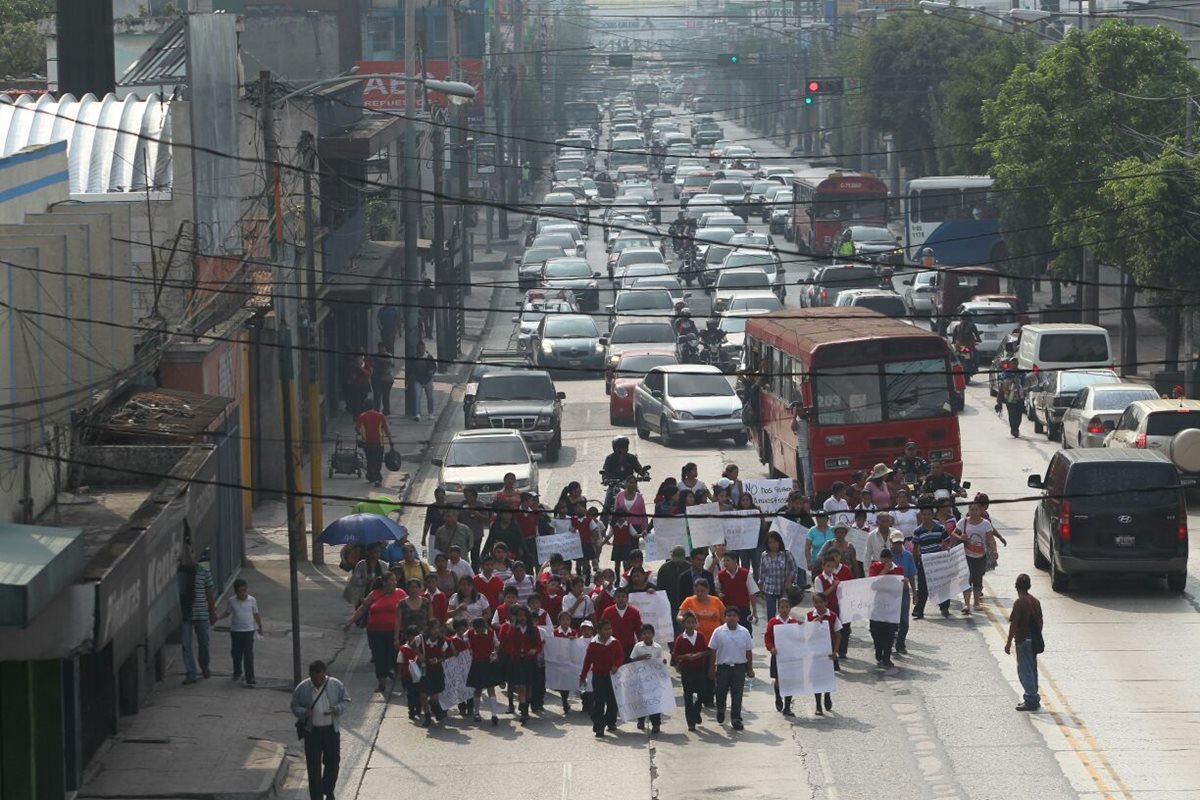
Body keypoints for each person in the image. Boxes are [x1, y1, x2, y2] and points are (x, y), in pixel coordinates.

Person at [290, 660, 351, 800]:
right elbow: (294, 706)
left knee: (333, 763)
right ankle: (316, 797)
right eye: (315, 679)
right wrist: (304, 712)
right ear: (310, 676)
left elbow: (346, 700)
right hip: (312, 733)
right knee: (313, 768)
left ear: (325, 674)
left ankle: (328, 790)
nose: (318, 682)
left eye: (321, 678)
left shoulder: (335, 684)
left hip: (331, 731)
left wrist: (337, 709)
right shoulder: (303, 688)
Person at [708, 607, 754, 731]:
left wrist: (750, 669)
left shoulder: (744, 632)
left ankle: (736, 719)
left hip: (739, 667)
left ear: (738, 618)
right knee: (720, 691)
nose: (731, 618)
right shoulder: (718, 632)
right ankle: (721, 709)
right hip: (723, 667)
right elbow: (713, 650)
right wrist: (712, 668)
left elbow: (749, 651)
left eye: (734, 616)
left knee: (737, 694)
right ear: (725, 617)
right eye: (729, 615)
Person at [580, 618, 625, 737]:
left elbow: (621, 656)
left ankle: (611, 722)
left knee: (612, 701)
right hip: (598, 676)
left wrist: (616, 665)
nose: (608, 631)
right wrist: (583, 675)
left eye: (610, 629)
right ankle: (599, 726)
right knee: (599, 702)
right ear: (598, 631)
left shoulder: (615, 642)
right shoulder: (593, 644)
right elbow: (587, 661)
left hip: (612, 676)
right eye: (605, 629)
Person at [1005, 573, 1044, 712]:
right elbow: (1040, 622)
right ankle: (1034, 697)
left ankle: (1031, 699)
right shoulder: (1035, 601)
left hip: (1023, 640)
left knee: (1024, 670)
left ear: (1017, 587)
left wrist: (1008, 642)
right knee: (1032, 669)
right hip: (1033, 640)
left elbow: (1014, 625)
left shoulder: (1019, 602)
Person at [500, 605, 543, 724]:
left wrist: (535, 650)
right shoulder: (513, 629)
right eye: (519, 615)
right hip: (517, 661)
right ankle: (524, 713)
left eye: (523, 615)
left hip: (530, 662)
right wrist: (513, 627)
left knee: (529, 687)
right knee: (521, 687)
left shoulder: (533, 629)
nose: (521, 618)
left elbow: (539, 645)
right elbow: (508, 641)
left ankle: (525, 707)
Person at [911, 495, 951, 619]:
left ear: (932, 514)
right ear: (920, 516)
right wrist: (915, 563)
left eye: (928, 514)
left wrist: (948, 551)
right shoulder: (918, 531)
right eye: (924, 514)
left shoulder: (940, 527)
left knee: (942, 584)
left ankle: (944, 607)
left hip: (938, 562)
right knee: (923, 587)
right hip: (924, 562)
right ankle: (919, 610)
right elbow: (915, 548)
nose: (926, 517)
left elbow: (947, 541)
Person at [217, 577, 262, 687]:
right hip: (236, 631)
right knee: (236, 653)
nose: (242, 594)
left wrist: (260, 626)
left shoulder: (252, 600)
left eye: (244, 591)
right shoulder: (232, 601)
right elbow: (227, 613)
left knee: (248, 654)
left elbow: (256, 614)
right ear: (236, 592)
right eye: (240, 592)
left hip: (248, 631)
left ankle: (250, 677)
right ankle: (237, 671)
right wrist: (218, 618)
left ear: (247, 589)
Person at [179, 555, 217, 685]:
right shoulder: (180, 573)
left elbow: (209, 593)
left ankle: (204, 665)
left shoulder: (203, 572)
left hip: (201, 614)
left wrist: (212, 612)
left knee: (204, 643)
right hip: (185, 614)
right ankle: (191, 673)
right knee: (186, 645)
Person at [764, 593, 800, 716]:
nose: (784, 610)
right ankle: (778, 697)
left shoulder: (794, 622)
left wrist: (801, 626)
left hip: (790, 657)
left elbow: (799, 637)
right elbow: (768, 637)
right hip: (778, 655)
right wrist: (771, 648)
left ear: (790, 608)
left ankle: (787, 706)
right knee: (779, 680)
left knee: (789, 680)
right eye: (782, 607)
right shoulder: (773, 622)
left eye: (787, 607)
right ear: (778, 608)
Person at [673, 611, 710, 731]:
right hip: (687, 669)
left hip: (700, 668)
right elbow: (675, 655)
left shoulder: (700, 636)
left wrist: (699, 655)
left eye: (692, 622)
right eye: (688, 622)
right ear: (684, 624)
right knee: (688, 694)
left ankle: (696, 711)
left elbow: (707, 650)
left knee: (702, 693)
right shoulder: (680, 639)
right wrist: (685, 656)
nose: (690, 625)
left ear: (696, 624)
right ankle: (690, 721)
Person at [960, 502, 999, 615]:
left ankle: (976, 602)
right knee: (967, 579)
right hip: (966, 556)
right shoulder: (963, 522)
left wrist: (995, 551)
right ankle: (966, 604)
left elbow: (991, 539)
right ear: (969, 511)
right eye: (972, 510)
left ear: (980, 511)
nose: (974, 512)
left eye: (976, 510)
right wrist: (961, 537)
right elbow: (954, 534)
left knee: (978, 579)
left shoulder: (986, 524)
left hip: (981, 556)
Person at [867, 549, 905, 667]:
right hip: (877, 605)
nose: (885, 562)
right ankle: (878, 650)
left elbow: (900, 587)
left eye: (887, 560)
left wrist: (905, 583)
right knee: (875, 631)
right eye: (883, 561)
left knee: (889, 633)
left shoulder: (898, 569)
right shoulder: (875, 567)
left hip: (891, 607)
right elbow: (872, 583)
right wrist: (884, 570)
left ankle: (887, 656)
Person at [805, 592, 841, 711]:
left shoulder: (833, 616)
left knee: (827, 677)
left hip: (828, 653)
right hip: (815, 653)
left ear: (826, 602)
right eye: (816, 602)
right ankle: (818, 704)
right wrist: (812, 624)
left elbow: (838, 635)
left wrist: (835, 651)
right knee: (816, 679)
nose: (818, 604)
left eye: (821, 602)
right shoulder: (809, 616)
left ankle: (827, 695)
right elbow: (805, 633)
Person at [630, 624, 668, 733]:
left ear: (653, 634)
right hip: (641, 679)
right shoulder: (638, 647)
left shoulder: (658, 647)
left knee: (654, 702)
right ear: (641, 635)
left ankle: (656, 724)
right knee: (641, 701)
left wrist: (663, 663)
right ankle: (641, 720)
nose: (647, 635)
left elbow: (661, 662)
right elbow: (631, 661)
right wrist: (639, 658)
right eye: (645, 633)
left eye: (649, 633)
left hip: (653, 679)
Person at [607, 476, 647, 574]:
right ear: (626, 483)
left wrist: (644, 530)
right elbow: (616, 512)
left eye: (634, 483)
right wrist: (611, 528)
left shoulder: (640, 497)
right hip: (622, 528)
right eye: (630, 482)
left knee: (633, 554)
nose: (631, 484)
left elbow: (644, 514)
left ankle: (633, 573)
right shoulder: (619, 496)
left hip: (635, 527)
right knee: (622, 554)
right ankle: (623, 575)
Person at [758, 531, 798, 620]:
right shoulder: (764, 555)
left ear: (779, 542)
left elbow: (794, 568)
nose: (773, 544)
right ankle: (771, 629)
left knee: (784, 612)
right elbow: (762, 572)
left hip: (783, 588)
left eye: (775, 542)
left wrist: (789, 580)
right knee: (770, 611)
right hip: (769, 588)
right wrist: (761, 589)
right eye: (770, 542)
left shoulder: (786, 554)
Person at [889, 533, 917, 655]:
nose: (898, 545)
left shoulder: (908, 556)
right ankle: (888, 644)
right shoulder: (887, 555)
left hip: (904, 591)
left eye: (900, 543)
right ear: (891, 542)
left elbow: (911, 574)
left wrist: (915, 593)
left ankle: (901, 644)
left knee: (904, 621)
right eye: (895, 543)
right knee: (889, 620)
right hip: (889, 592)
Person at [717, 553, 758, 634]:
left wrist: (754, 611)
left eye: (727, 560)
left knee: (746, 632)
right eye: (724, 560)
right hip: (728, 611)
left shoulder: (745, 573)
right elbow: (717, 591)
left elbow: (752, 593)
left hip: (743, 610)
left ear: (735, 560)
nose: (725, 563)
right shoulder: (720, 575)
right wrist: (719, 595)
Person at [355, 405, 392, 488]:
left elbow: (357, 429)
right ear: (373, 407)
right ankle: (377, 478)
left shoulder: (362, 416)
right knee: (378, 461)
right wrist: (390, 442)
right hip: (379, 444)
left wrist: (361, 434)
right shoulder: (380, 416)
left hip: (367, 444)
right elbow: (386, 429)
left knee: (370, 460)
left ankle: (371, 476)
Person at [601, 586, 643, 656]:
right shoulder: (607, 612)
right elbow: (602, 629)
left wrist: (641, 646)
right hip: (612, 645)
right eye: (618, 597)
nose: (621, 599)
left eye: (623, 597)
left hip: (629, 646)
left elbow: (639, 630)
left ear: (627, 599)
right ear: (614, 599)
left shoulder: (634, 612)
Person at [790, 402, 814, 498]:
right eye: (798, 410)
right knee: (807, 475)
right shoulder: (797, 421)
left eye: (801, 410)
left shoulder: (810, 419)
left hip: (813, 451)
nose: (800, 412)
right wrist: (794, 415)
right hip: (804, 452)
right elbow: (793, 428)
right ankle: (809, 495)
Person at [409, 340, 437, 422]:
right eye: (419, 348)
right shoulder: (414, 358)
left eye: (422, 348)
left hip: (428, 380)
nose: (420, 350)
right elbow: (412, 369)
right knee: (417, 396)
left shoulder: (429, 357)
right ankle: (417, 414)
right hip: (418, 380)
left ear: (424, 348)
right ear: (417, 349)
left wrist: (431, 372)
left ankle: (431, 413)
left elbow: (434, 367)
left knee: (430, 397)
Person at [805, 510, 834, 576]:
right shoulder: (811, 531)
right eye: (819, 518)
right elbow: (807, 548)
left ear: (827, 519)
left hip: (832, 563)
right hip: (817, 563)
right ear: (816, 519)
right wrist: (808, 562)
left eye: (824, 518)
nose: (821, 520)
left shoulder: (833, 530)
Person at [999, 367, 1025, 438]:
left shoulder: (1021, 373)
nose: (1014, 365)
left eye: (1015, 363)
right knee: (1012, 414)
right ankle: (1014, 430)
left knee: (1019, 415)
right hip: (1009, 399)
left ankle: (1016, 428)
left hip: (1020, 399)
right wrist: (999, 401)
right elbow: (1001, 386)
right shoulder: (1006, 373)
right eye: (1012, 364)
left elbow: (1025, 384)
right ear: (1010, 364)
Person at [370, 342, 395, 416]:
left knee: (386, 396)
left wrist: (377, 359)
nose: (381, 349)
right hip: (376, 378)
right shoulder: (375, 355)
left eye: (383, 347)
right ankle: (376, 410)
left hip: (387, 379)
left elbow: (390, 362)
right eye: (380, 348)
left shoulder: (388, 355)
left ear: (385, 348)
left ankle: (386, 411)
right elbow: (369, 361)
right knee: (377, 395)